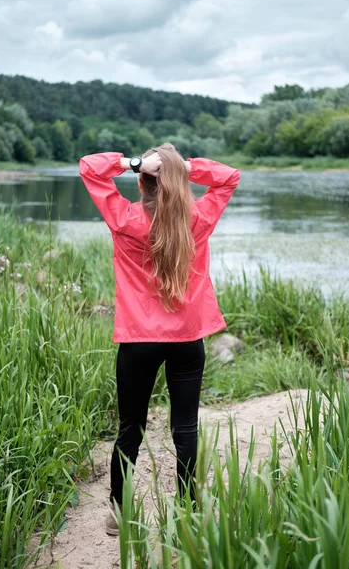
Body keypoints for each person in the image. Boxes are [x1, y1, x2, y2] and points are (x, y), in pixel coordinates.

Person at [79, 143, 240, 536]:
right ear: (178, 183)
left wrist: (135, 162)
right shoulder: (197, 219)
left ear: (141, 181)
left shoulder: (126, 219)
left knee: (130, 429)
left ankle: (119, 513)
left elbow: (89, 168)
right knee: (185, 427)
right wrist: (183, 167)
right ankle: (188, 510)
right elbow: (229, 176)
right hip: (187, 341)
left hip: (139, 343)